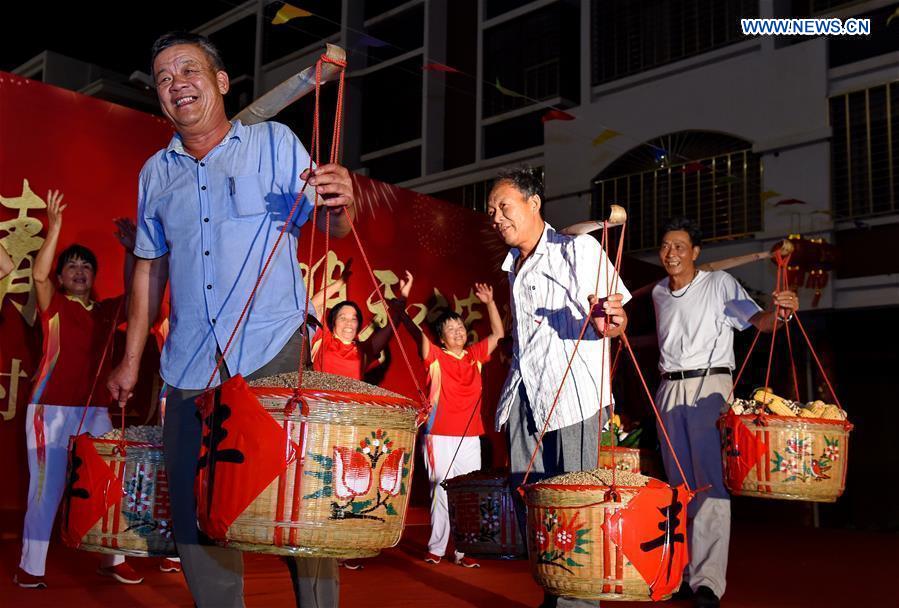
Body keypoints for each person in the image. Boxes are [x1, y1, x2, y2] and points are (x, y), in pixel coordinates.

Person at [106, 32, 356, 608]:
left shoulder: (275, 143)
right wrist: (131, 358)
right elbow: (149, 269)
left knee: (300, 499)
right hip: (189, 362)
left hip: (273, 348)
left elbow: (332, 224)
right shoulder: (155, 175)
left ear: (220, 82)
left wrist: (343, 199)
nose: (177, 85)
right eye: (165, 79)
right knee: (199, 510)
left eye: (188, 71)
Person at [487, 166, 629, 608]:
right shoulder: (513, 266)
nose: (496, 217)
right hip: (526, 397)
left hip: (574, 400)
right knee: (533, 504)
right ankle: (555, 592)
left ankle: (578, 602)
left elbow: (616, 316)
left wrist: (610, 319)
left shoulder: (578, 249)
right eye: (491, 211)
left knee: (574, 507)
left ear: (533, 203)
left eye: (503, 207)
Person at [652, 217, 800, 608]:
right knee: (677, 488)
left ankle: (707, 583)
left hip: (710, 388)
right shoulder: (657, 293)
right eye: (666, 246)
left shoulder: (720, 284)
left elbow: (760, 323)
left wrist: (781, 313)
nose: (672, 253)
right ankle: (680, 574)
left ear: (695, 252)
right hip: (668, 388)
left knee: (710, 484)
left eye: (680, 246)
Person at [15, 191, 141, 589]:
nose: (80, 271)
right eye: (72, 266)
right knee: (46, 491)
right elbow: (38, 276)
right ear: (62, 275)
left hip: (96, 410)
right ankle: (30, 568)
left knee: (109, 483)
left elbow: (137, 297)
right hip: (50, 409)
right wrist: (56, 228)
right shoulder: (54, 305)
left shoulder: (105, 313)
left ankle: (113, 558)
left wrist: (131, 253)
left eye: (87, 266)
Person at [395, 273, 504, 569]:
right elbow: (411, 330)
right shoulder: (435, 357)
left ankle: (463, 549)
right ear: (441, 337)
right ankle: (436, 547)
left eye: (460, 326)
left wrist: (491, 303)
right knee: (440, 490)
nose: (457, 331)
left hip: (470, 437)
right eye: (450, 328)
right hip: (439, 435)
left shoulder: (474, 356)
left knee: (467, 494)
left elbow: (497, 335)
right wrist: (402, 301)